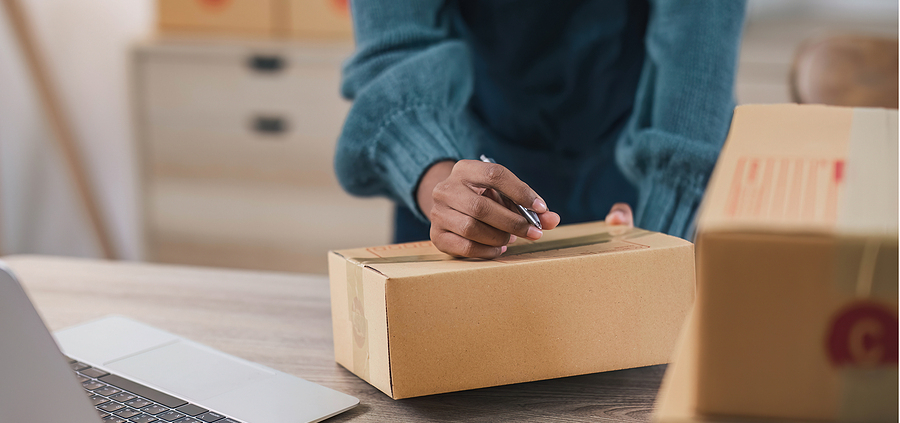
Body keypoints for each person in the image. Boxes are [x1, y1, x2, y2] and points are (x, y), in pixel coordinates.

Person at [335, 1, 746, 258]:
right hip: (462, 166)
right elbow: (397, 49)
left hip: (631, 176)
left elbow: (696, 51)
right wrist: (444, 188)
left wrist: (664, 231)